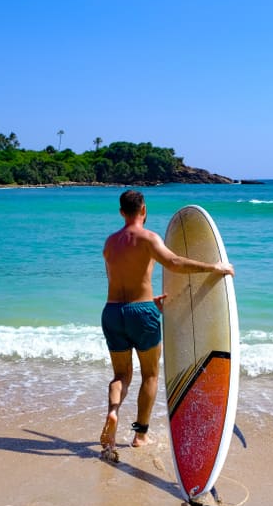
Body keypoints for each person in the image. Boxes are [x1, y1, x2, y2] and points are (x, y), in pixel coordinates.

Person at [100, 190, 234, 459]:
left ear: (121, 212)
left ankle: (113, 412)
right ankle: (140, 435)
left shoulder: (110, 243)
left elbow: (121, 281)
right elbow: (173, 262)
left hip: (112, 312)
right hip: (143, 313)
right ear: (144, 210)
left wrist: (146, 301)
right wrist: (213, 267)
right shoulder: (149, 238)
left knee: (121, 375)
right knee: (149, 375)